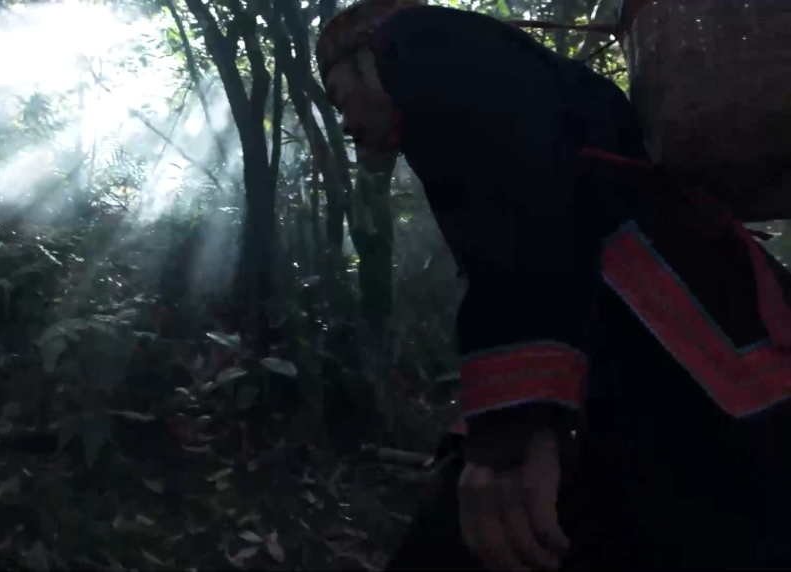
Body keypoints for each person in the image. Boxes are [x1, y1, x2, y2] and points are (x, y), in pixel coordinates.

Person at [315, 1, 791, 570]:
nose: (345, 123)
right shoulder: (505, 76)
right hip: (672, 309)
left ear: (363, 57)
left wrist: (515, 426)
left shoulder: (416, 38)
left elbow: (516, 206)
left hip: (651, 313)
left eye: (338, 97)